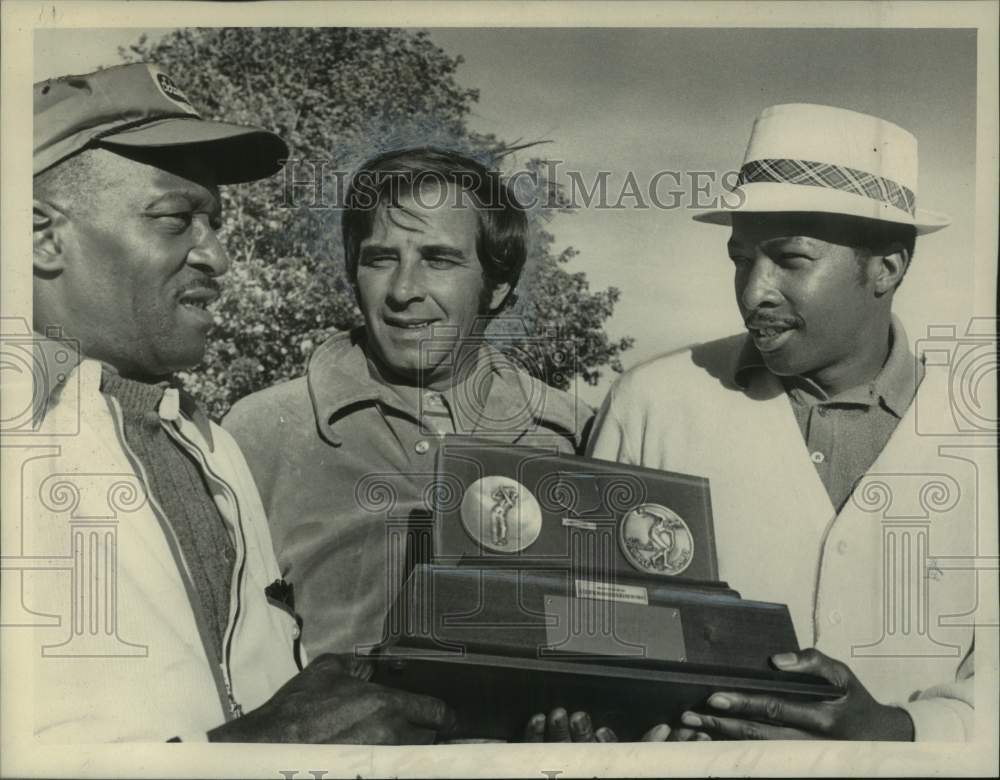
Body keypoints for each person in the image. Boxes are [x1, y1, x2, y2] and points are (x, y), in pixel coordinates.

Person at [29, 63, 452, 744]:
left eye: (216, 222)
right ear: (41, 234)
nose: (218, 257)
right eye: (176, 221)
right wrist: (256, 750)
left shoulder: (207, 440)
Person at [588, 103, 987, 741]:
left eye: (791, 260)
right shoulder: (651, 403)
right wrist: (633, 722)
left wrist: (900, 729)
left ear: (887, 266)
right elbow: (588, 618)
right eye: (741, 258)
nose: (754, 291)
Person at [224, 148, 593, 666]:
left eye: (438, 260)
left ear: (497, 286)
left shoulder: (572, 435)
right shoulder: (260, 431)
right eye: (380, 259)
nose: (402, 290)